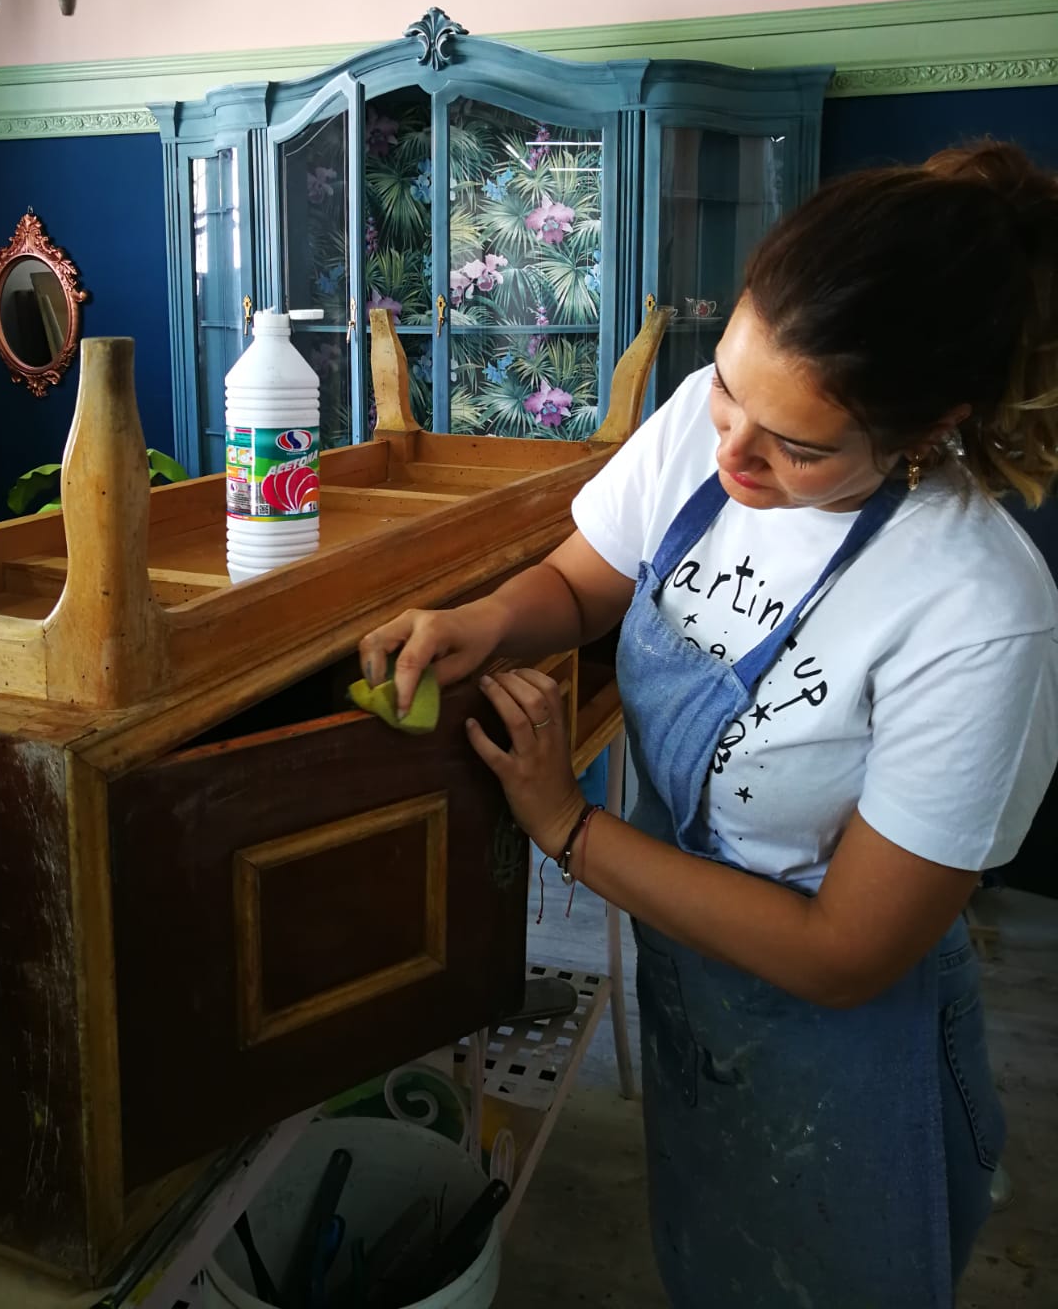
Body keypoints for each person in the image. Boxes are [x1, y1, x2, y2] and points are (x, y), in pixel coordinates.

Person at [359, 140, 1058, 1309]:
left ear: (930, 426)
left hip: (848, 1051)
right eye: (732, 386)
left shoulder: (978, 610)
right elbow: (583, 582)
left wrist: (568, 826)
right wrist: (486, 620)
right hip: (695, 985)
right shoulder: (704, 421)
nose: (733, 450)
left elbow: (843, 953)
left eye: (799, 447)